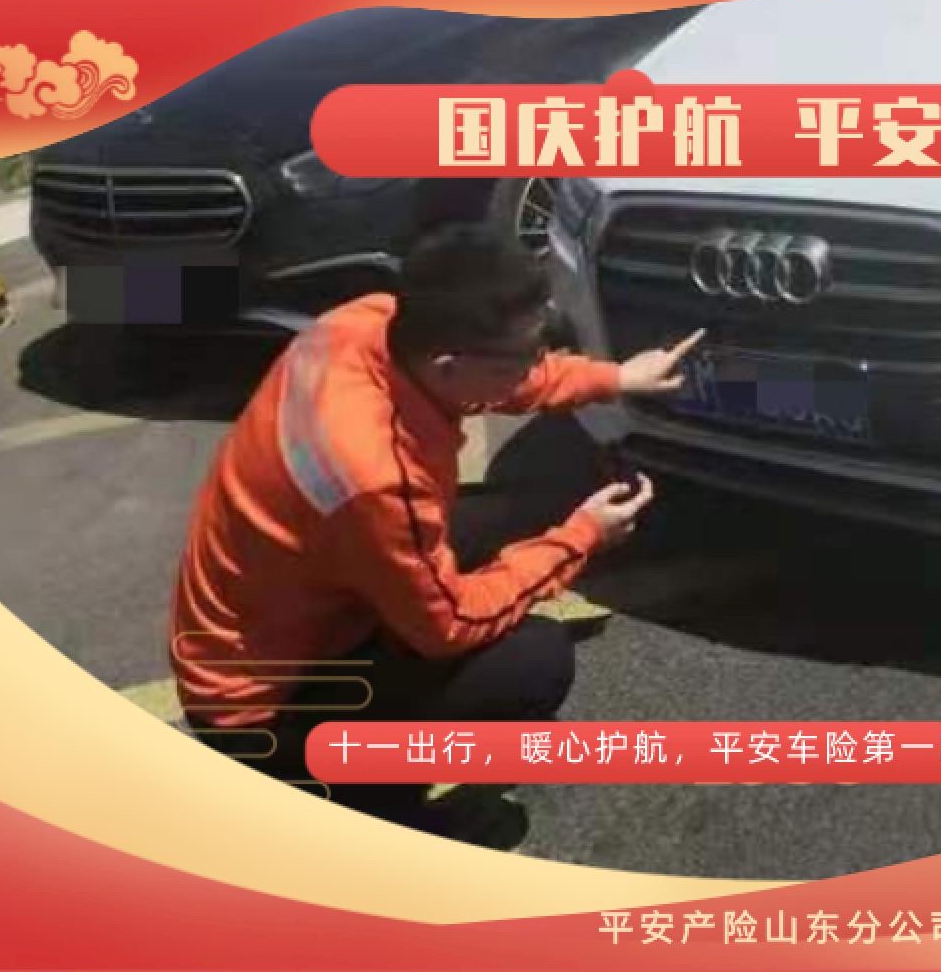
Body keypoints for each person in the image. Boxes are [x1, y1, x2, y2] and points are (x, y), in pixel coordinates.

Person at [168, 222, 702, 828]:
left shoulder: (371, 321)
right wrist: (581, 539)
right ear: (448, 366)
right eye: (528, 352)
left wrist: (613, 378)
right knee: (533, 659)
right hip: (266, 708)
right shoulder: (374, 472)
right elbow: (449, 627)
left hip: (284, 611)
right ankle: (371, 812)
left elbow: (501, 378)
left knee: (505, 516)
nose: (537, 361)